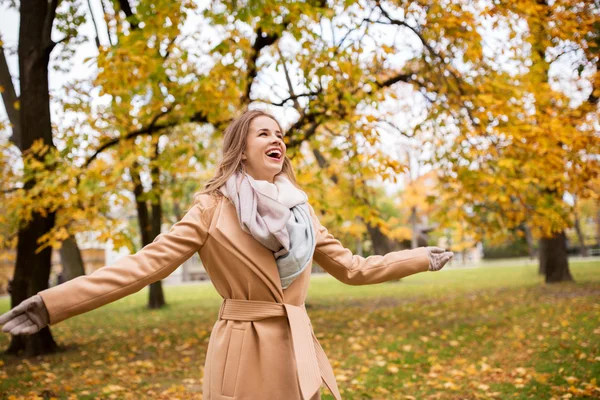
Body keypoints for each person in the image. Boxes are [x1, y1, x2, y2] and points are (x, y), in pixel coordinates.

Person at [0, 109, 453, 400]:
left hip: (297, 352)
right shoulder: (211, 209)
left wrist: (419, 258)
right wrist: (51, 304)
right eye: (263, 133)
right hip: (243, 352)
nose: (277, 138)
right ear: (242, 148)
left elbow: (354, 269)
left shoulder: (302, 212)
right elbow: (143, 267)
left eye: (280, 134)